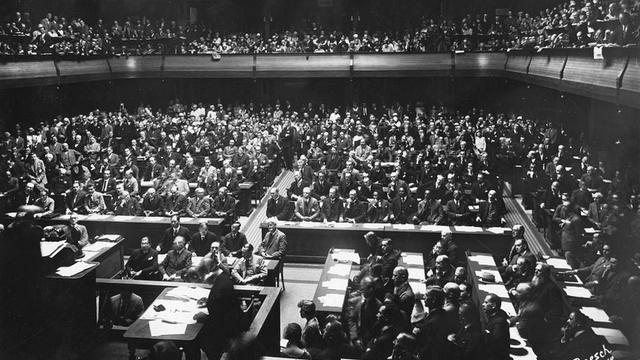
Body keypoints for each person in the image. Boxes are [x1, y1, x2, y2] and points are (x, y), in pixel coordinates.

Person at [193, 254, 244, 360]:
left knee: (193, 339)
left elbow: (219, 318)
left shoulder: (219, 291)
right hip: (229, 321)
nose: (203, 279)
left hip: (224, 330)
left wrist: (204, 316)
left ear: (210, 271)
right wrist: (208, 301)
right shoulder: (223, 278)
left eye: (204, 274)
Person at [547, 311, 614, 360]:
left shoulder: (569, 348)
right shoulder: (601, 337)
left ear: (578, 323)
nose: (567, 321)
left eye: (570, 319)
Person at [104, 289, 144, 360]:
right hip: (115, 326)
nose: (124, 293)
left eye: (127, 291)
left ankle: (131, 354)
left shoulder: (138, 300)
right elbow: (109, 314)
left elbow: (139, 317)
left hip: (130, 326)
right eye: (123, 290)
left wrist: (127, 321)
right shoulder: (113, 299)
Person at [413, 286, 449, 360]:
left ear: (433, 300)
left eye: (426, 295)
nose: (424, 297)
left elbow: (427, 346)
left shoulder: (432, 322)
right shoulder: (443, 312)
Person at [347, 276, 382, 348]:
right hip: (354, 337)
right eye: (362, 288)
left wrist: (364, 341)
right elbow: (351, 320)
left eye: (363, 289)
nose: (361, 290)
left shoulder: (378, 306)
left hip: (368, 341)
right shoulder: (353, 302)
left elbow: (375, 327)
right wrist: (354, 338)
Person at [481, 294, 510, 360]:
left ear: (493, 305)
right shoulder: (498, 314)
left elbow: (495, 344)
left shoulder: (499, 323)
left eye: (486, 302)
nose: (483, 304)